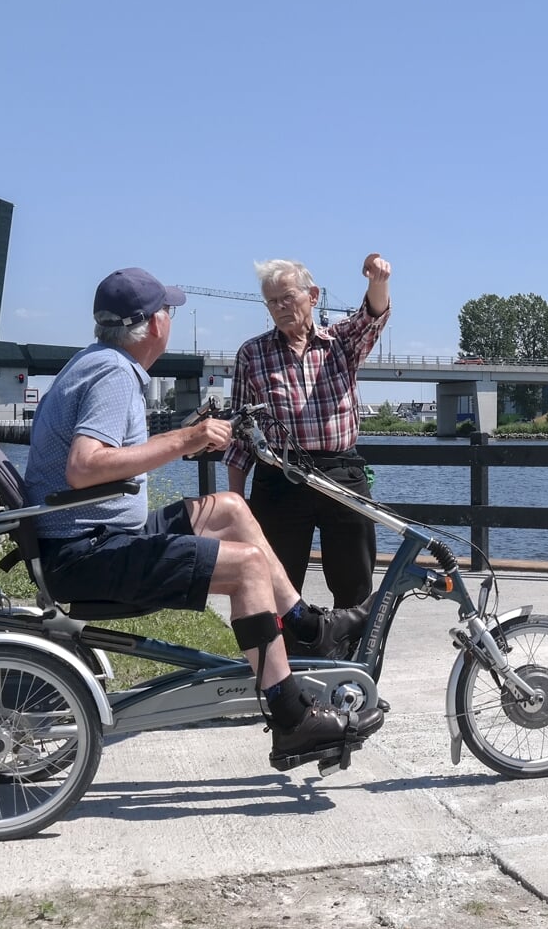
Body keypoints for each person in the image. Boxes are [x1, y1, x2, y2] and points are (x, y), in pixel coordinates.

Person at [20, 267, 368, 766]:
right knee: (246, 565)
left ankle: (308, 626)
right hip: (88, 550)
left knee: (229, 508)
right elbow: (84, 467)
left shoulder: (97, 361)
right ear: (153, 324)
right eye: (169, 310)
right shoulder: (114, 373)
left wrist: (186, 439)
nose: (171, 319)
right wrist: (188, 438)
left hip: (92, 534)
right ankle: (292, 719)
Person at [225, 254, 391, 607]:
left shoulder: (340, 342)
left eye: (288, 297)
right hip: (279, 478)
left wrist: (377, 279)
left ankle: (348, 658)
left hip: (340, 475)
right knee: (275, 587)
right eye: (272, 301)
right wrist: (238, 504)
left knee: (354, 585)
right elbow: (241, 436)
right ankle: (284, 660)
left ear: (313, 296)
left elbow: (371, 318)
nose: (281, 307)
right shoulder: (252, 354)